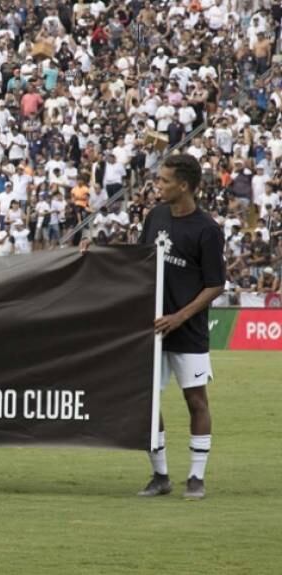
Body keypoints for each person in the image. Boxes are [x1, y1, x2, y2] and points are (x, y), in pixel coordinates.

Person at [83, 153, 224, 500]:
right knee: (147, 403)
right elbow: (140, 258)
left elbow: (216, 285)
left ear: (184, 185)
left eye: (163, 180)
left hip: (187, 330)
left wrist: (180, 316)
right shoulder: (156, 216)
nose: (156, 185)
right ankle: (160, 474)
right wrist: (100, 251)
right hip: (153, 328)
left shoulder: (207, 230)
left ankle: (196, 476)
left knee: (196, 402)